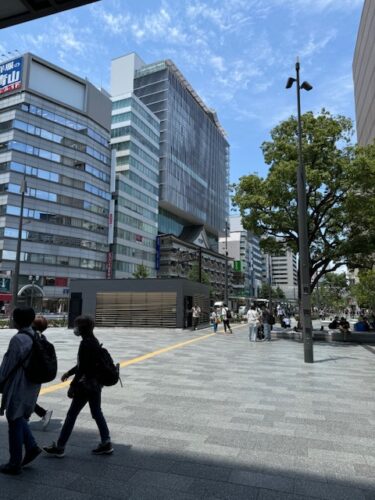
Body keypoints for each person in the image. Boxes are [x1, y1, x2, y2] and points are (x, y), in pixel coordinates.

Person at [43, 315, 113, 458]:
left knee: (71, 415)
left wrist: (73, 385)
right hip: (96, 384)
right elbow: (85, 364)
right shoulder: (94, 341)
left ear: (82, 329)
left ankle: (60, 447)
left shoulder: (85, 344)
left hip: (86, 385)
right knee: (96, 412)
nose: (75, 329)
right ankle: (106, 442)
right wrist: (69, 372)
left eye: (77, 326)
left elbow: (83, 368)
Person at [0, 307, 42, 475]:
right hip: (32, 383)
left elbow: (7, 367)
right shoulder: (35, 335)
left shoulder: (18, 340)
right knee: (19, 416)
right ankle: (31, 447)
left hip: (19, 384)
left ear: (17, 320)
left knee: (14, 419)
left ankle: (14, 463)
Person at [31, 315, 53, 430]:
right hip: (39, 374)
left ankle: (44, 413)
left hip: (31, 374)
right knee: (29, 399)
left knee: (27, 399)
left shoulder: (34, 337)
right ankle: (43, 413)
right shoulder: (43, 338)